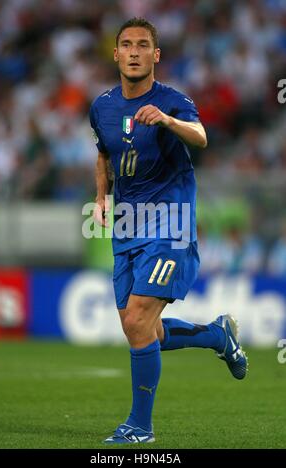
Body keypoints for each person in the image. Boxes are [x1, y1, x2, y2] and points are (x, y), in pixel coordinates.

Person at [89, 17, 248, 445]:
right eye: (127, 44)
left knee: (139, 318)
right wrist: (102, 198)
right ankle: (218, 335)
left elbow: (200, 136)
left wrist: (167, 122)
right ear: (117, 53)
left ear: (156, 55)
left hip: (171, 223)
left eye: (144, 44)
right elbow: (103, 154)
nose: (135, 51)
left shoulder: (172, 101)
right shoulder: (101, 106)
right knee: (139, 327)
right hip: (128, 226)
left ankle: (140, 427)